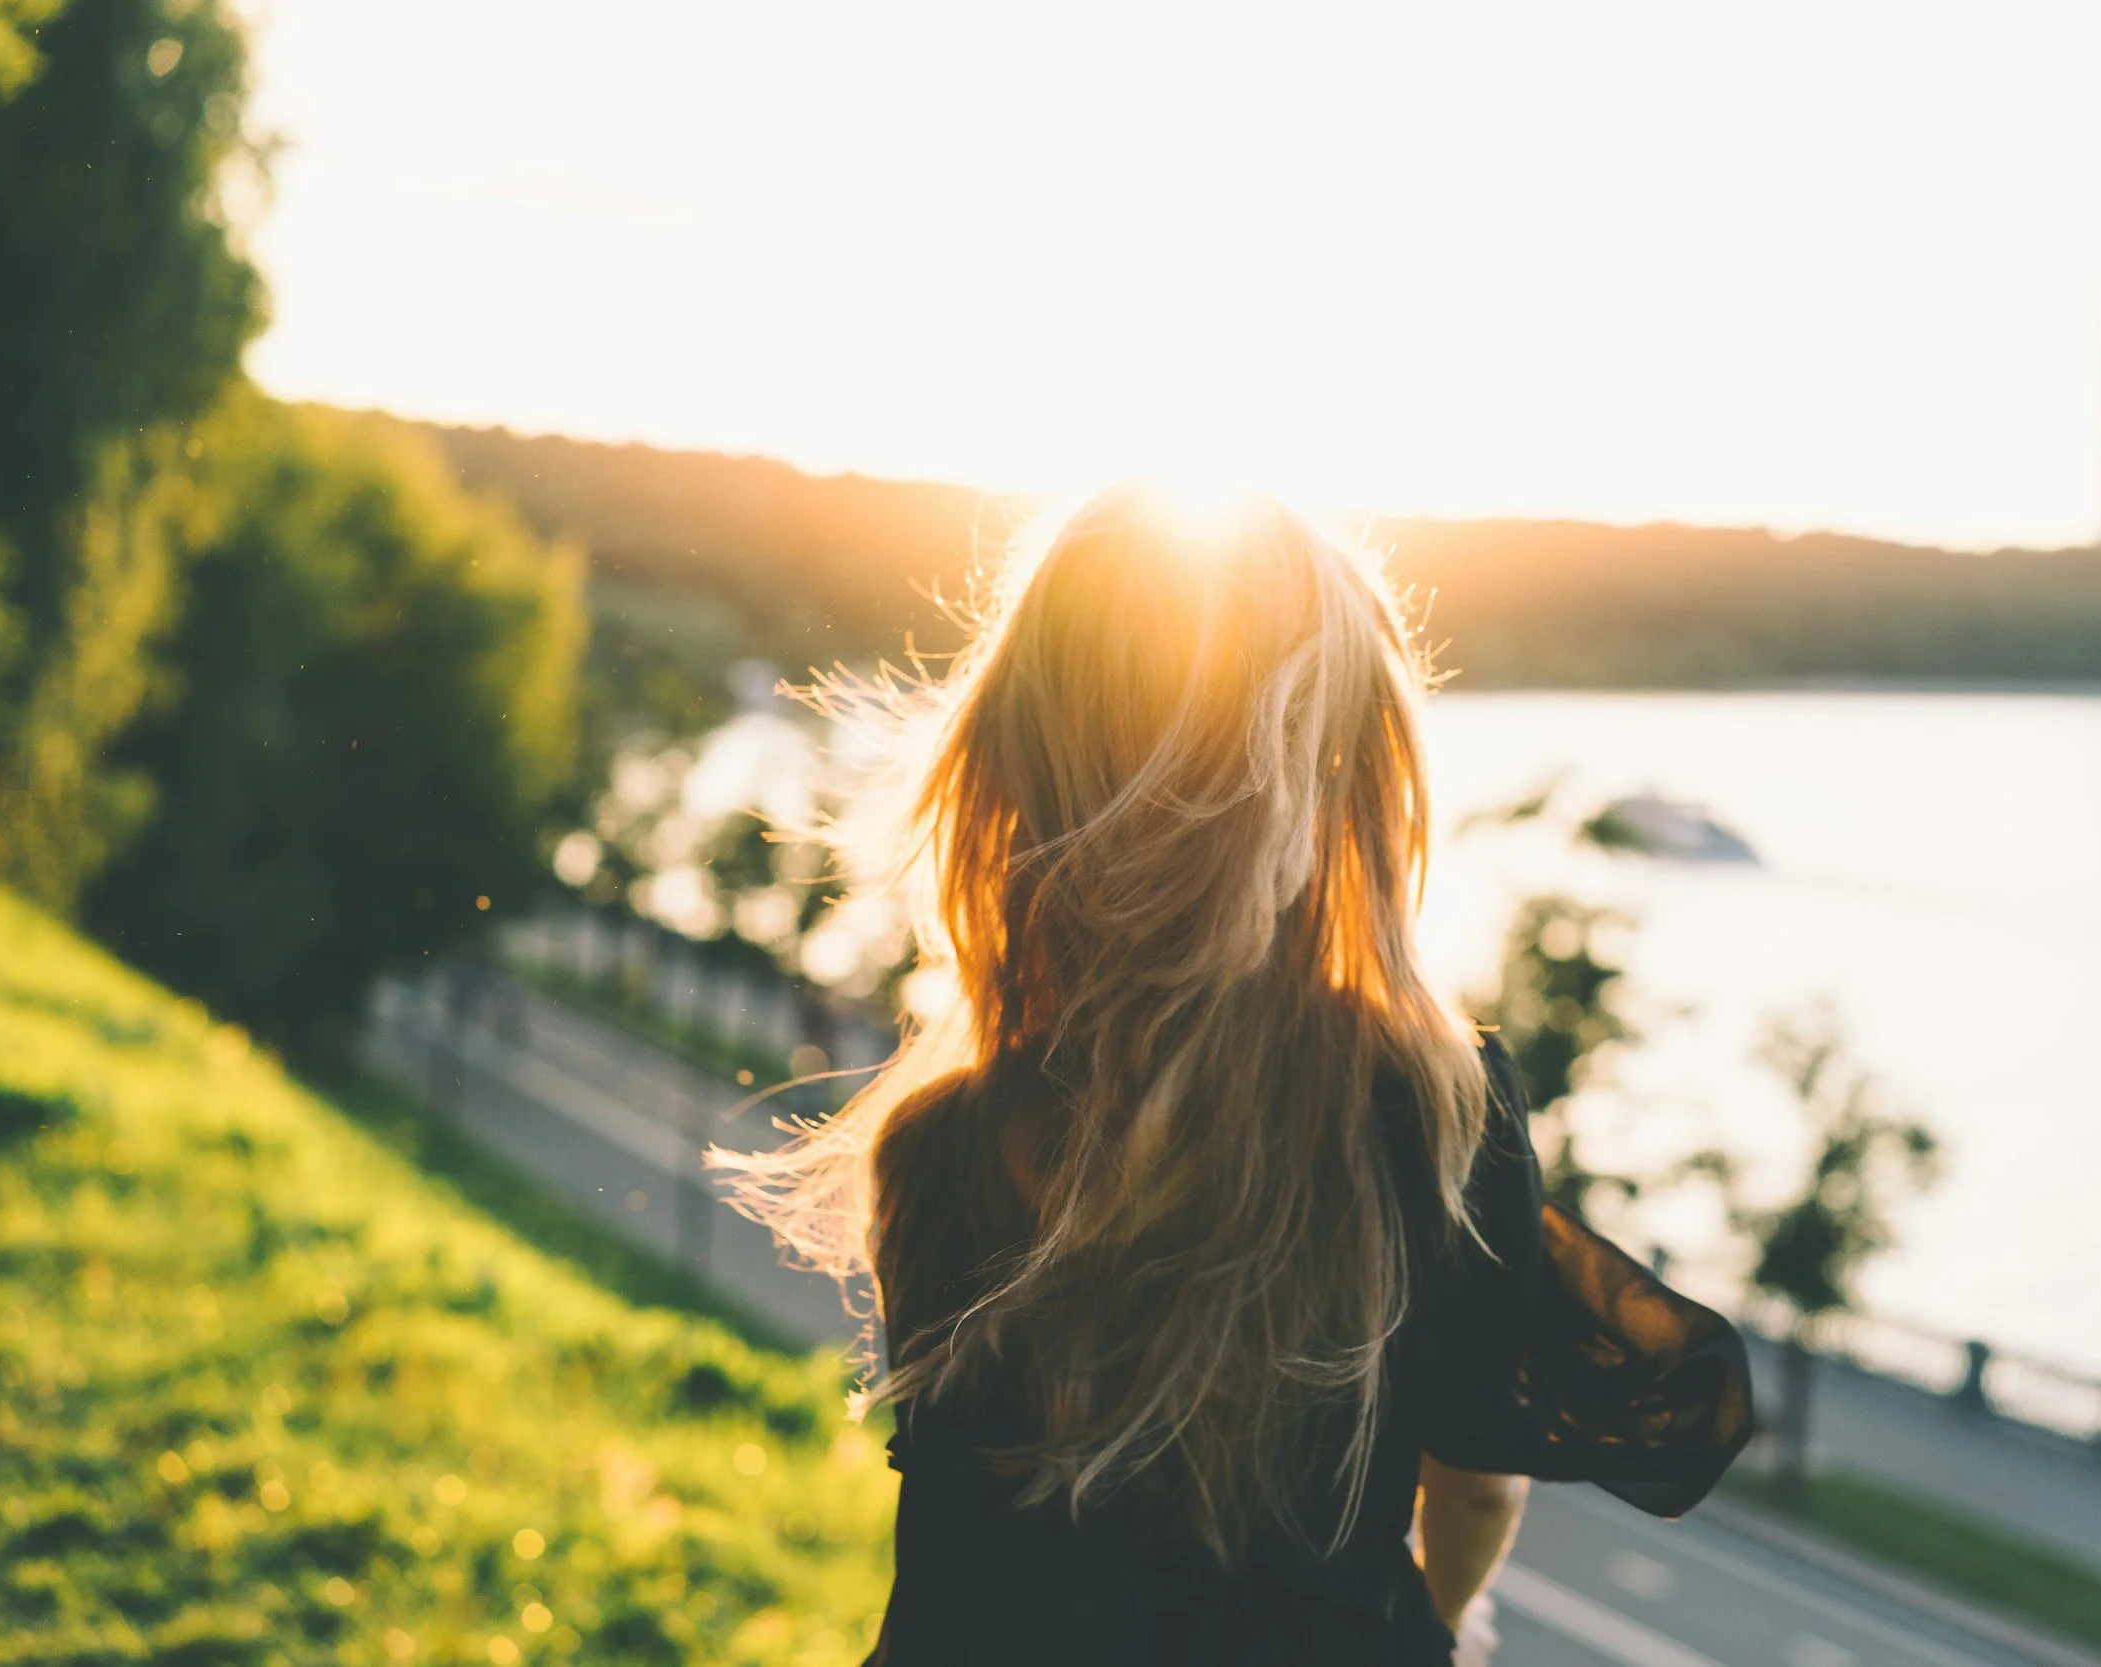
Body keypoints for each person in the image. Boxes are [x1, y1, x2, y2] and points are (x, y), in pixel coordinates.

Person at [718, 486, 1751, 1665]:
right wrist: (1445, 1621)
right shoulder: (1429, 1111)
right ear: (1344, 783)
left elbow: (990, 1534)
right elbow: (1473, 1486)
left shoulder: (935, 1142)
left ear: (1018, 760)